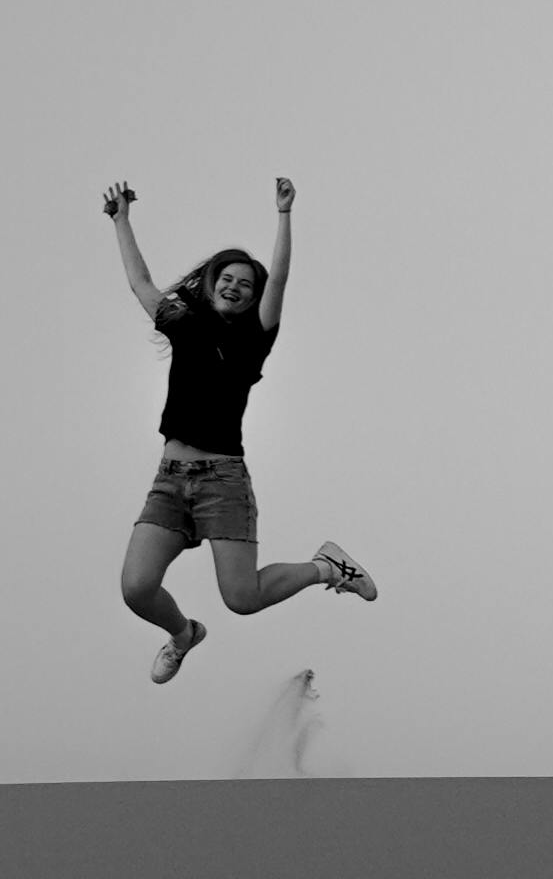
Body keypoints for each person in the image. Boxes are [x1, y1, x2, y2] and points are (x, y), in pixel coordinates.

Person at [99, 175, 378, 684]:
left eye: (245, 285)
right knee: (136, 589)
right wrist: (122, 221)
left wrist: (284, 215)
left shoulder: (254, 340)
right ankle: (184, 634)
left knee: (242, 598)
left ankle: (326, 566)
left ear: (253, 298)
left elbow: (281, 281)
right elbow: (141, 284)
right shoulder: (183, 323)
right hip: (169, 479)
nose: (235, 287)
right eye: (227, 278)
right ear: (212, 283)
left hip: (222, 482)